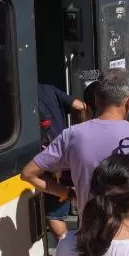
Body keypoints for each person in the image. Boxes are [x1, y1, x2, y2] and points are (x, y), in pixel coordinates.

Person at [23, 69, 129, 223]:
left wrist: (67, 194)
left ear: (96, 99)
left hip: (91, 240)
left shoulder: (71, 135)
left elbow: (28, 174)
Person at [38, 83, 88, 239]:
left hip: (49, 162)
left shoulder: (17, 95)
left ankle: (67, 247)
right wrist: (79, 133)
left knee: (55, 215)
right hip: (69, 156)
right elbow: (80, 107)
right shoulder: (48, 89)